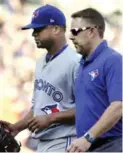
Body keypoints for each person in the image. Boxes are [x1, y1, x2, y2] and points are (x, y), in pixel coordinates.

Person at [0, 4, 81, 152]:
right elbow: (38, 107)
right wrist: (18, 126)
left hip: (66, 141)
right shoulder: (40, 61)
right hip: (43, 142)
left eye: (38, 29)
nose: (33, 34)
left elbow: (89, 107)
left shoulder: (76, 63)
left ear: (56, 29)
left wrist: (50, 118)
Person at [67, 8, 122, 152]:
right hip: (87, 146)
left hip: (111, 145)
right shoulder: (82, 65)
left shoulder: (113, 60)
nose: (70, 37)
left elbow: (118, 106)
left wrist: (88, 137)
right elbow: (85, 110)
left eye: (75, 31)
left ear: (91, 31)